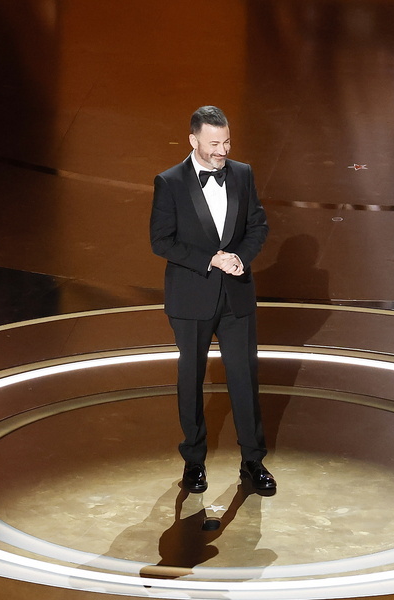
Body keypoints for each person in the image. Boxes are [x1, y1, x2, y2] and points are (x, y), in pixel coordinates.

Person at [150, 106, 275, 493]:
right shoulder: (169, 182)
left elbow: (257, 225)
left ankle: (253, 461)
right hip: (191, 298)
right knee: (191, 378)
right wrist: (211, 259)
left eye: (227, 143)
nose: (222, 151)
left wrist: (240, 257)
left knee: (244, 377)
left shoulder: (242, 173)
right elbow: (161, 241)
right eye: (214, 144)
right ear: (193, 141)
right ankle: (194, 461)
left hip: (236, 296)